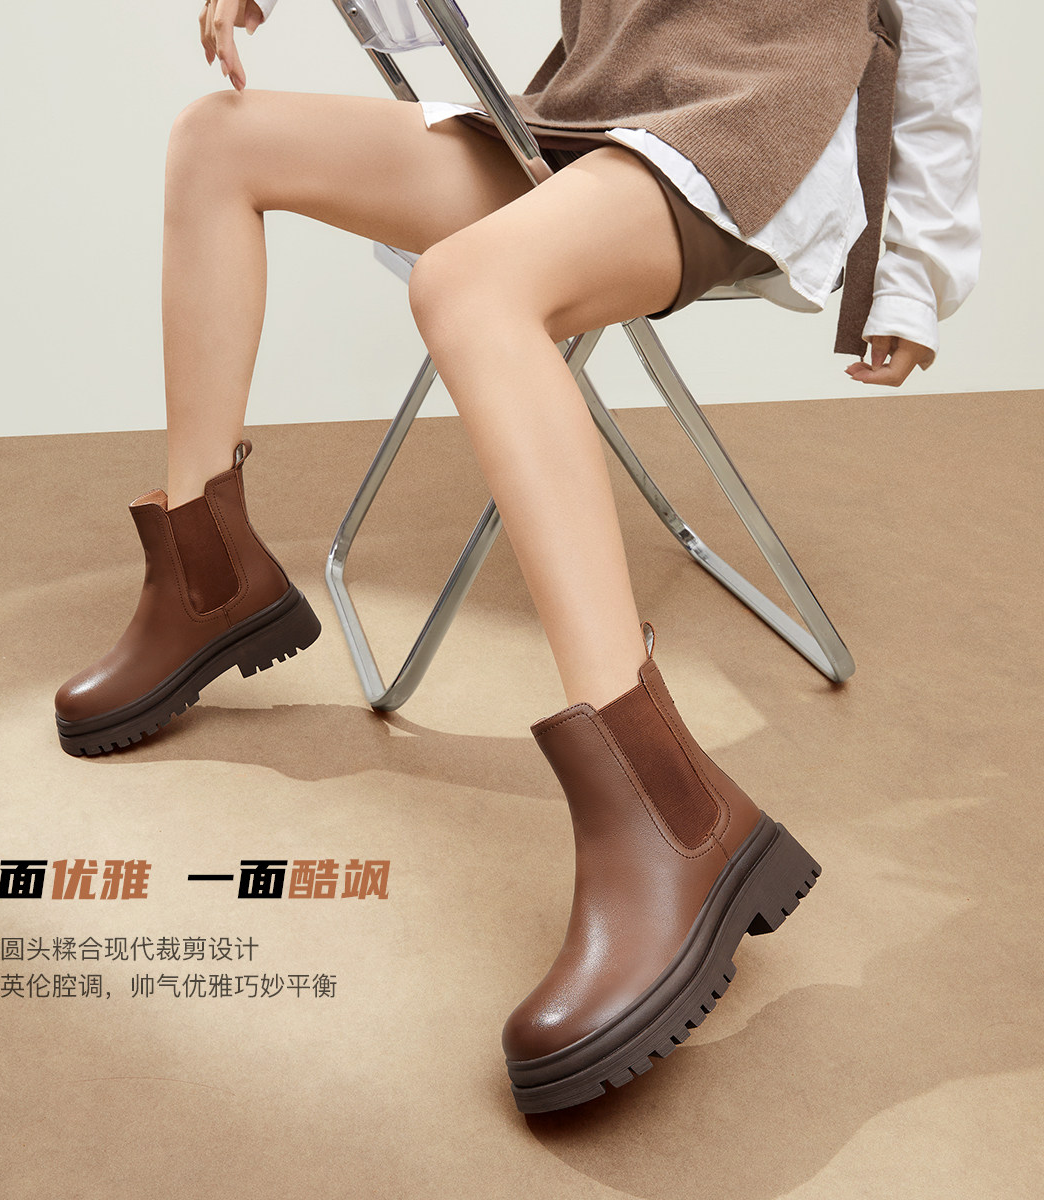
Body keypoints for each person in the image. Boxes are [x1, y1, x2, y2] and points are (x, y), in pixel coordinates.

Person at [53, 0, 980, 1112]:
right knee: (219, 139)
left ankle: (671, 810)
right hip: (587, 124)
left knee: (468, 284)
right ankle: (207, 574)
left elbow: (933, 31)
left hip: (745, 141)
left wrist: (915, 271)